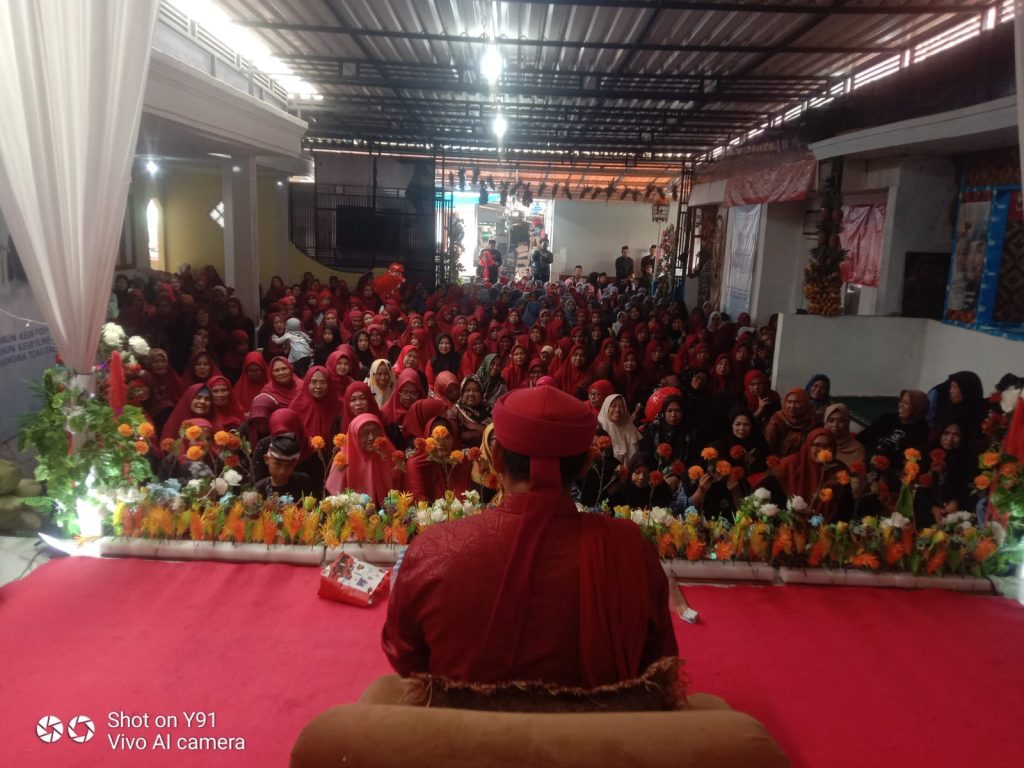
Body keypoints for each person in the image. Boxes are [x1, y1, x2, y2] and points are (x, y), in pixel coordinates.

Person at [383, 385, 678, 687]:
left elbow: (404, 654)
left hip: (461, 717)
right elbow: (659, 663)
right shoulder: (631, 549)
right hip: (602, 717)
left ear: (496, 458)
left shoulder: (435, 548)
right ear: (585, 465)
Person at [254, 434, 319, 499]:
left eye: (289, 465)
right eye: (277, 464)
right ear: (266, 459)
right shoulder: (258, 491)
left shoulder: (305, 483)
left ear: (295, 463)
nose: (282, 471)